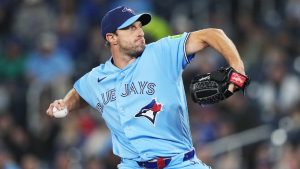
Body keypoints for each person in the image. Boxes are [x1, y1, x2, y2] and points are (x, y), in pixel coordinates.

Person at [46, 6, 246, 169]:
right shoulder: (96, 78)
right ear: (111, 38)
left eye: (139, 26)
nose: (140, 32)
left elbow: (212, 34)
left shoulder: (161, 52)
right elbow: (80, 93)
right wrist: (65, 103)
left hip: (179, 163)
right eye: (130, 28)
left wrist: (238, 69)